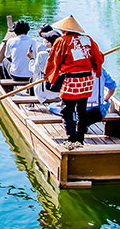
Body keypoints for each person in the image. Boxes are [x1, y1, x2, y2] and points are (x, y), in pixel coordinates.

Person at [43, 15, 104, 149]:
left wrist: (47, 75)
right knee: (81, 110)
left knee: (66, 110)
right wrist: (96, 70)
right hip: (87, 80)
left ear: (64, 30)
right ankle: (80, 139)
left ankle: (71, 138)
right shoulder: (88, 40)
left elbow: (53, 60)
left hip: (72, 80)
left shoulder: (62, 41)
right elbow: (98, 58)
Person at [32, 28, 62, 104]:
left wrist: (31, 59)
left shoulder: (42, 54)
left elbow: (35, 73)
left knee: (33, 78)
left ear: (51, 43)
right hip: (61, 93)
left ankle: (31, 105)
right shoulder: (65, 55)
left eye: (47, 40)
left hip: (44, 93)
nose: (45, 41)